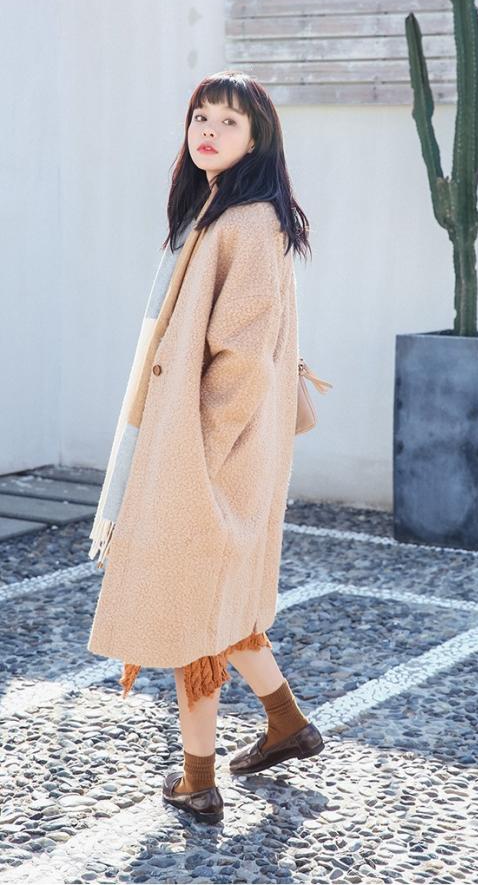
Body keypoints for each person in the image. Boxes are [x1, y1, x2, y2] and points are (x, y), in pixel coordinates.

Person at [86, 71, 324, 824]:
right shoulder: (218, 211)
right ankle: (286, 723)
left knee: (193, 607)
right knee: (219, 600)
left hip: (208, 453)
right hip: (207, 449)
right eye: (200, 116)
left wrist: (200, 452)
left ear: (257, 139)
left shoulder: (246, 223)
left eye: (228, 120)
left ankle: (197, 778)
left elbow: (243, 357)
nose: (209, 131)